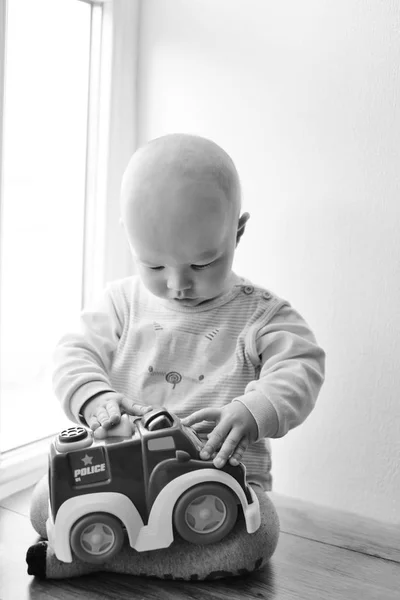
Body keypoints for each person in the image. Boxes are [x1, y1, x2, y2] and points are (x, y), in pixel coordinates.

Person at [26, 133, 325, 581]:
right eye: (154, 265)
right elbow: (73, 353)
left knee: (260, 534)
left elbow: (302, 363)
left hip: (218, 487)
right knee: (40, 501)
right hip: (128, 482)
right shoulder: (121, 303)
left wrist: (254, 409)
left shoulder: (260, 314)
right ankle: (111, 551)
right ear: (129, 238)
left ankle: (86, 556)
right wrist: (94, 398)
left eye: (202, 264)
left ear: (237, 233)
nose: (177, 284)